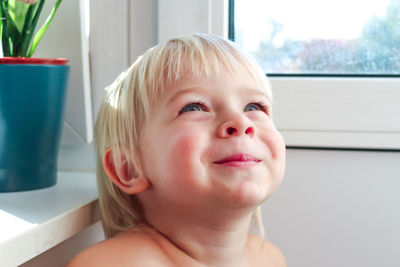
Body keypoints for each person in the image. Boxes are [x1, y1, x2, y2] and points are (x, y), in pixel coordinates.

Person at [68, 33, 286, 267]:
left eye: (254, 106)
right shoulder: (114, 264)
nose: (241, 123)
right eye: (194, 107)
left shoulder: (270, 258)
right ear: (129, 168)